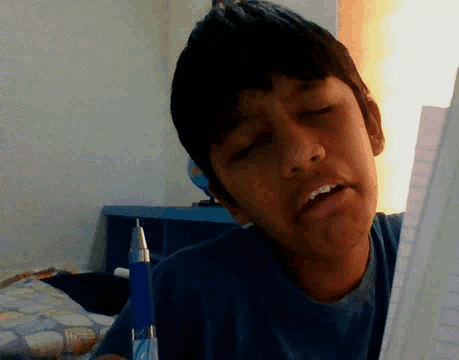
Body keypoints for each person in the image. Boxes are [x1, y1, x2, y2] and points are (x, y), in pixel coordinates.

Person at [93, 0, 404, 359]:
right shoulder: (180, 296)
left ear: (372, 124)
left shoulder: (442, 251)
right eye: (252, 144)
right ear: (228, 199)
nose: (299, 155)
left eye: (318, 109)